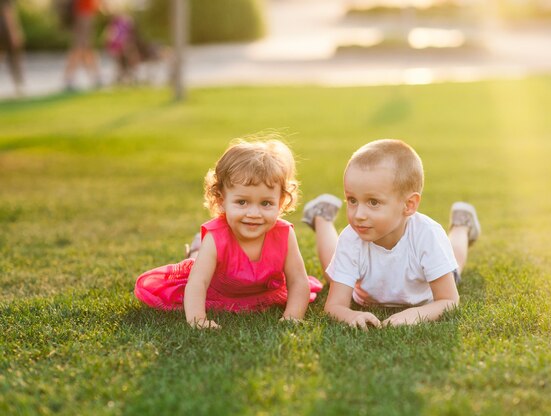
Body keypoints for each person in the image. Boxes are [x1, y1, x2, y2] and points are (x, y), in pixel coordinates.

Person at [135, 138, 323, 329]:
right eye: (242, 202)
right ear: (221, 200)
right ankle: (195, 249)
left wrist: (292, 316)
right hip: (217, 292)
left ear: (281, 201)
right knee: (197, 263)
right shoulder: (216, 237)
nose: (253, 214)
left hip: (261, 293)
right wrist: (198, 319)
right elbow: (198, 282)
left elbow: (298, 280)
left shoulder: (284, 234)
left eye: (266, 203)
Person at [301, 139, 481, 329]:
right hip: (363, 292)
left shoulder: (427, 235)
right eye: (352, 200)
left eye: (373, 202)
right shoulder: (352, 237)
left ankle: (462, 226)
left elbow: (449, 300)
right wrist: (350, 315)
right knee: (333, 275)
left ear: (408, 205)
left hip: (424, 290)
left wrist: (414, 314)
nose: (358, 215)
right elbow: (334, 306)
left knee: (453, 268)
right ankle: (321, 218)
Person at [63, 0, 102, 91]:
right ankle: (69, 78)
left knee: (85, 47)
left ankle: (95, 76)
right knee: (80, 47)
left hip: (85, 13)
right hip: (83, 13)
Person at [0, 0, 24, 96]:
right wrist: (14, 33)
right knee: (14, 58)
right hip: (4, 29)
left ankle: (18, 86)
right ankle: (18, 87)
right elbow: (8, 12)